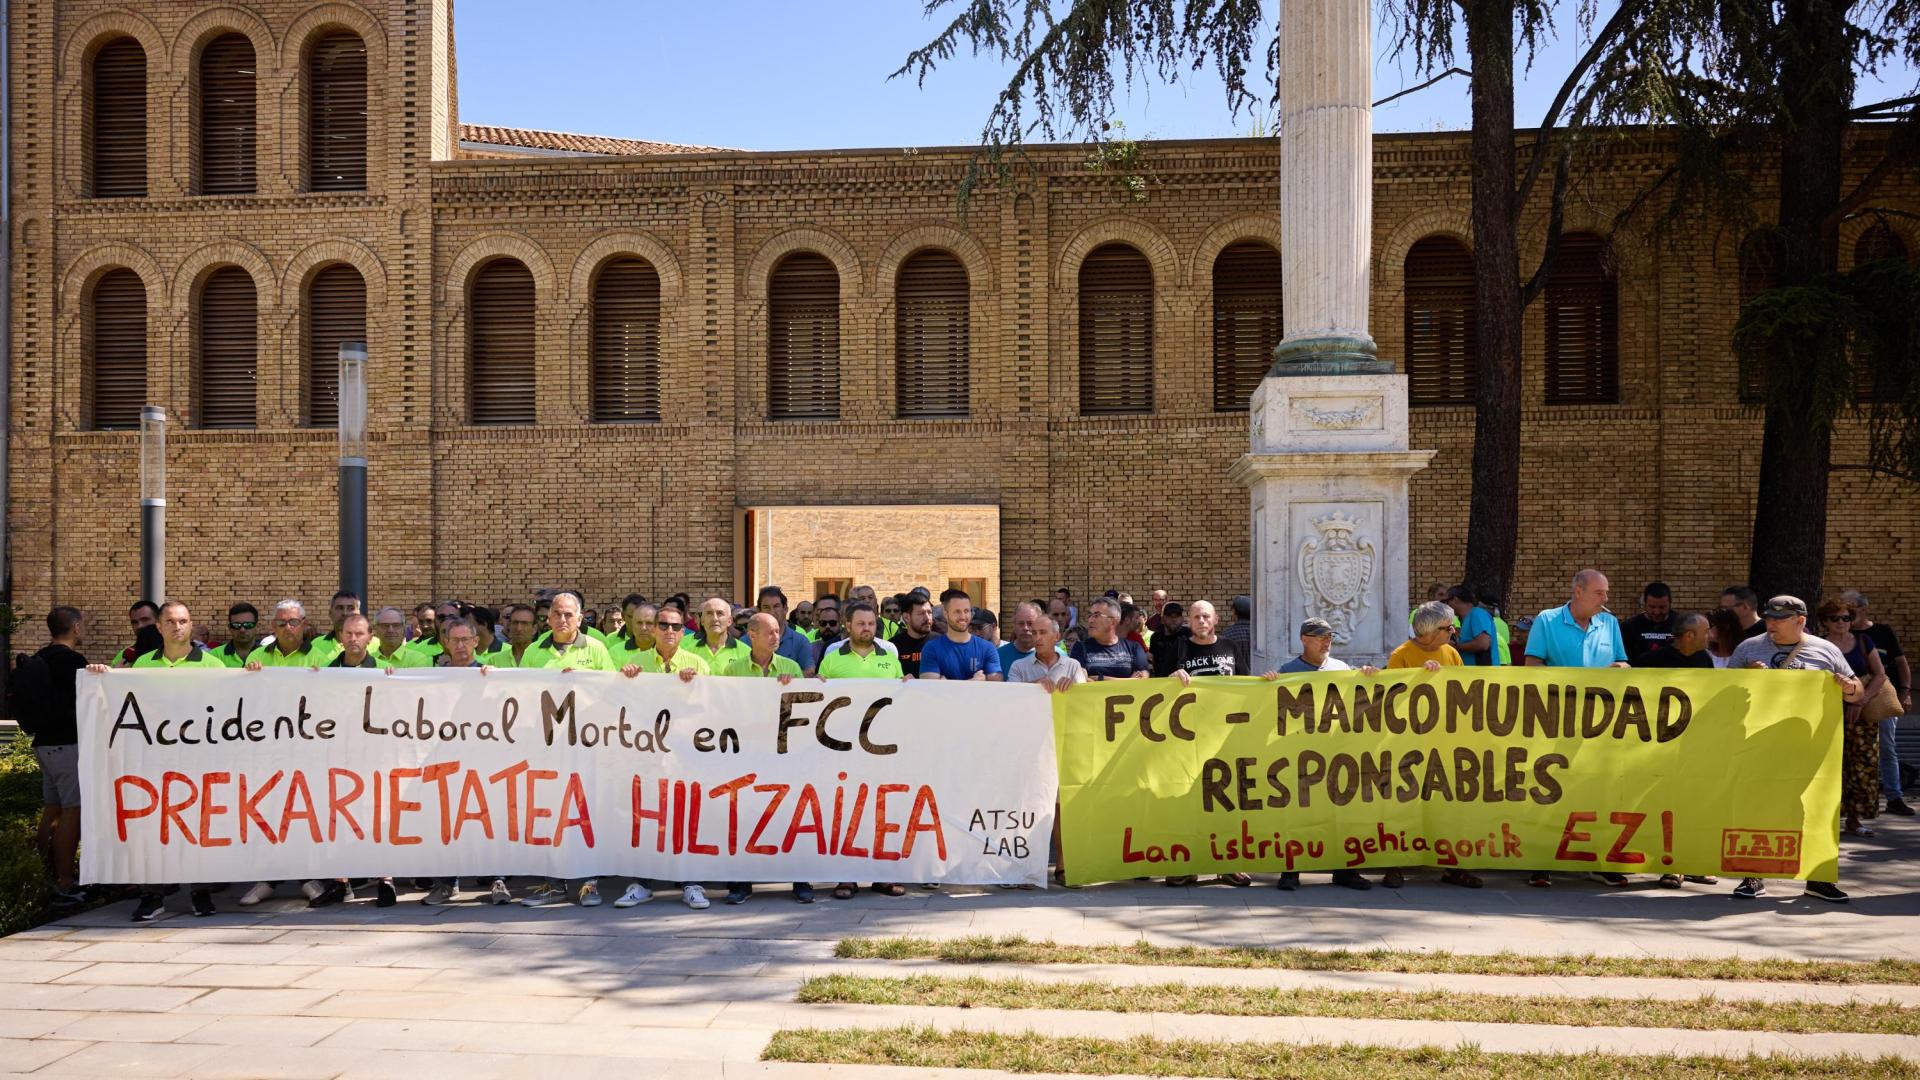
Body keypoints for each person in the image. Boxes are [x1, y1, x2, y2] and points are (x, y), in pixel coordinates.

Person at [1730, 596, 1862, 903]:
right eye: (1768, 618)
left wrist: (1849, 688)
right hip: (1759, 745)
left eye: (1779, 619)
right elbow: (1724, 697)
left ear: (1800, 621)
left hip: (1811, 748)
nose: (1771, 623)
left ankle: (1819, 878)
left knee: (1817, 809)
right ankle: (1753, 876)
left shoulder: (1825, 650)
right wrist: (1744, 678)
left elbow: (1857, 693)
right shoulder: (1748, 648)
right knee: (1758, 809)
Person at [107, 601, 227, 918]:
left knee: (198, 828)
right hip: (154, 763)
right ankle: (153, 896)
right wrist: (101, 677)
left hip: (198, 761)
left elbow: (232, 709)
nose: (177, 627)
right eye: (171, 621)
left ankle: (200, 893)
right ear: (158, 627)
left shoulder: (213, 666)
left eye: (183, 621)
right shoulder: (143, 664)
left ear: (191, 625)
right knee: (153, 829)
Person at [1523, 570, 1630, 887]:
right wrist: (1576, 682)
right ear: (1578, 591)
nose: (1606, 599)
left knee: (1599, 791)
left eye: (1606, 593)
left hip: (1601, 726)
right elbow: (1532, 666)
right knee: (1550, 790)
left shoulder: (1609, 623)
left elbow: (1624, 663)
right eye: (1600, 593)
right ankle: (1540, 860)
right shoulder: (1547, 620)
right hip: (1556, 722)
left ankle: (1599, 860)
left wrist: (1619, 669)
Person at [518, 593, 617, 908]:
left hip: (587, 745)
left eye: (569, 615)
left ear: (581, 617)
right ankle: (553, 883)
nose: (562, 620)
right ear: (547, 618)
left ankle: (590, 884)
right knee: (551, 813)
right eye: (557, 614)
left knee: (588, 813)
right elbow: (523, 696)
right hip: (549, 746)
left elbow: (612, 693)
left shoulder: (597, 649)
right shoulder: (535, 651)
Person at [818, 602, 909, 900]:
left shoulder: (890, 657)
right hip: (843, 749)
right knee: (846, 811)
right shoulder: (832, 659)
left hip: (882, 750)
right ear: (848, 625)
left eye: (871, 623)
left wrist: (907, 684)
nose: (867, 629)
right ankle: (847, 877)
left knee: (881, 810)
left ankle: (884, 876)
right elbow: (821, 698)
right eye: (861, 624)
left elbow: (899, 696)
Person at [722, 613, 814, 906]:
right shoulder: (733, 670)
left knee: (790, 814)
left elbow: (807, 708)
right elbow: (722, 709)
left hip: (784, 754)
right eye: (770, 632)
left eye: (778, 631)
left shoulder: (790, 667)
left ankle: (800, 880)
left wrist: (793, 689)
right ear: (752, 634)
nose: (777, 637)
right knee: (744, 816)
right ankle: (740, 882)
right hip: (746, 754)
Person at [22, 606, 89, 905]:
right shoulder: (72, 661)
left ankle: (42, 875)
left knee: (53, 810)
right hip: (67, 744)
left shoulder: (41, 657)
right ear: (75, 627)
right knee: (73, 811)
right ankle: (65, 880)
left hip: (44, 744)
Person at [1816, 598, 1887, 840]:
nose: (1841, 623)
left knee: (1861, 766)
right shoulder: (1819, 645)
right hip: (1827, 714)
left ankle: (1855, 820)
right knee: (1828, 765)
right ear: (1825, 621)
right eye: (1835, 618)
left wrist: (1862, 698)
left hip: (1860, 716)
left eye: (1846, 617)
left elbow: (1880, 674)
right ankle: (1827, 817)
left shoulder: (1864, 641)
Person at [1842, 590, 1913, 816]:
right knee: (1847, 748)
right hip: (1847, 698)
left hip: (1879, 697)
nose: (1844, 615)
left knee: (1886, 748)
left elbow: (1901, 663)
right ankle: (1848, 801)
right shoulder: (1840, 633)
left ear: (1863, 609)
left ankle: (1894, 797)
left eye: (1850, 609)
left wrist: (1906, 691)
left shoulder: (1883, 632)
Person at [919, 589, 1003, 681]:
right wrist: (974, 682)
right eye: (957, 612)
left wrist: (946, 684)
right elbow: (931, 689)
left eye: (966, 611)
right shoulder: (932, 648)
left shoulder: (987, 648)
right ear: (946, 615)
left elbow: (997, 685)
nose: (963, 616)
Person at [1159, 600, 1248, 681]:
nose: (1201, 621)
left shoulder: (1230, 646)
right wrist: (1172, 677)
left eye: (1206, 616)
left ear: (1216, 619)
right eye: (1196, 617)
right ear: (1189, 622)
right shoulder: (1180, 647)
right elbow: (1160, 683)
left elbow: (1247, 682)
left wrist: (1261, 682)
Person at [1072, 597, 1151, 680]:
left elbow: (1142, 678)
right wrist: (1128, 680)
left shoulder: (1133, 647)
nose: (1090, 620)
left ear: (1113, 621)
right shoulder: (1080, 647)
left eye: (1096, 615)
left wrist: (1098, 678)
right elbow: (1082, 680)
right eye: (1090, 615)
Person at [1008, 611, 1085, 691]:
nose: (1037, 638)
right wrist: (1034, 686)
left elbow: (1084, 696)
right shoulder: (1018, 667)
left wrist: (1073, 687)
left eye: (1043, 632)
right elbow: (1011, 697)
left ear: (1056, 636)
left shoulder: (1072, 666)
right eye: (1034, 633)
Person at [756, 585, 817, 674]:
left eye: (776, 606)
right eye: (766, 607)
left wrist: (788, 679)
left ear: (785, 609)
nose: (772, 612)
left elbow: (809, 673)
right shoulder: (747, 640)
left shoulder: (800, 641)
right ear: (759, 610)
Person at [1389, 602, 1463, 671]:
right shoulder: (1400, 656)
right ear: (1431, 629)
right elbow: (1392, 684)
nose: (1453, 631)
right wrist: (1422, 674)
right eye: (1449, 628)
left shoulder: (1452, 653)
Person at [245, 600, 319, 669]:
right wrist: (251, 673)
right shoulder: (257, 657)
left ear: (304, 624)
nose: (287, 627)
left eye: (294, 622)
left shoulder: (319, 659)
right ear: (273, 626)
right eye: (281, 623)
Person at [685, 596, 750, 671]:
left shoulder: (745, 652)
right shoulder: (688, 652)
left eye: (720, 613)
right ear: (702, 621)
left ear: (729, 621)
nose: (714, 618)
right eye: (709, 613)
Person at [1631, 613, 1713, 668]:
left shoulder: (1705, 658)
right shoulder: (1650, 661)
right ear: (1689, 635)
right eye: (1706, 632)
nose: (1711, 636)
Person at [1621, 582, 1676, 662]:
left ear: (1670, 603)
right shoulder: (1629, 627)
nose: (1657, 612)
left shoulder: (1682, 625)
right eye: (1652, 607)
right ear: (1644, 604)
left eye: (1662, 607)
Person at [1278, 618, 1357, 673]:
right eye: (1321, 637)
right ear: (1304, 639)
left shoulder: (1342, 669)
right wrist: (1269, 682)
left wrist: (1366, 675)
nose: (1327, 643)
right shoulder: (1287, 671)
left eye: (1330, 637)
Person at [1446, 585, 1498, 666]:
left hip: (1483, 674)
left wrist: (1456, 647)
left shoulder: (1477, 614)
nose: (1446, 605)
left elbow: (1483, 644)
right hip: (1473, 674)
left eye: (1447, 601)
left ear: (1455, 600)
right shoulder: (1467, 618)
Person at [307, 590, 361, 667]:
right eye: (340, 608)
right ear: (330, 613)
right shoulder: (315, 644)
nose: (345, 613)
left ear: (358, 613)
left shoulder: (374, 644)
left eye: (350, 608)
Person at [890, 595, 935, 677]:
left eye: (929, 612)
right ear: (906, 617)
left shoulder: (942, 643)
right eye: (921, 614)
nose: (927, 618)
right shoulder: (892, 647)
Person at [998, 601, 1042, 672]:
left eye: (1030, 623)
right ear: (1014, 625)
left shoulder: (1055, 655)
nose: (1025, 628)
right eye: (1021, 623)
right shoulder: (999, 656)